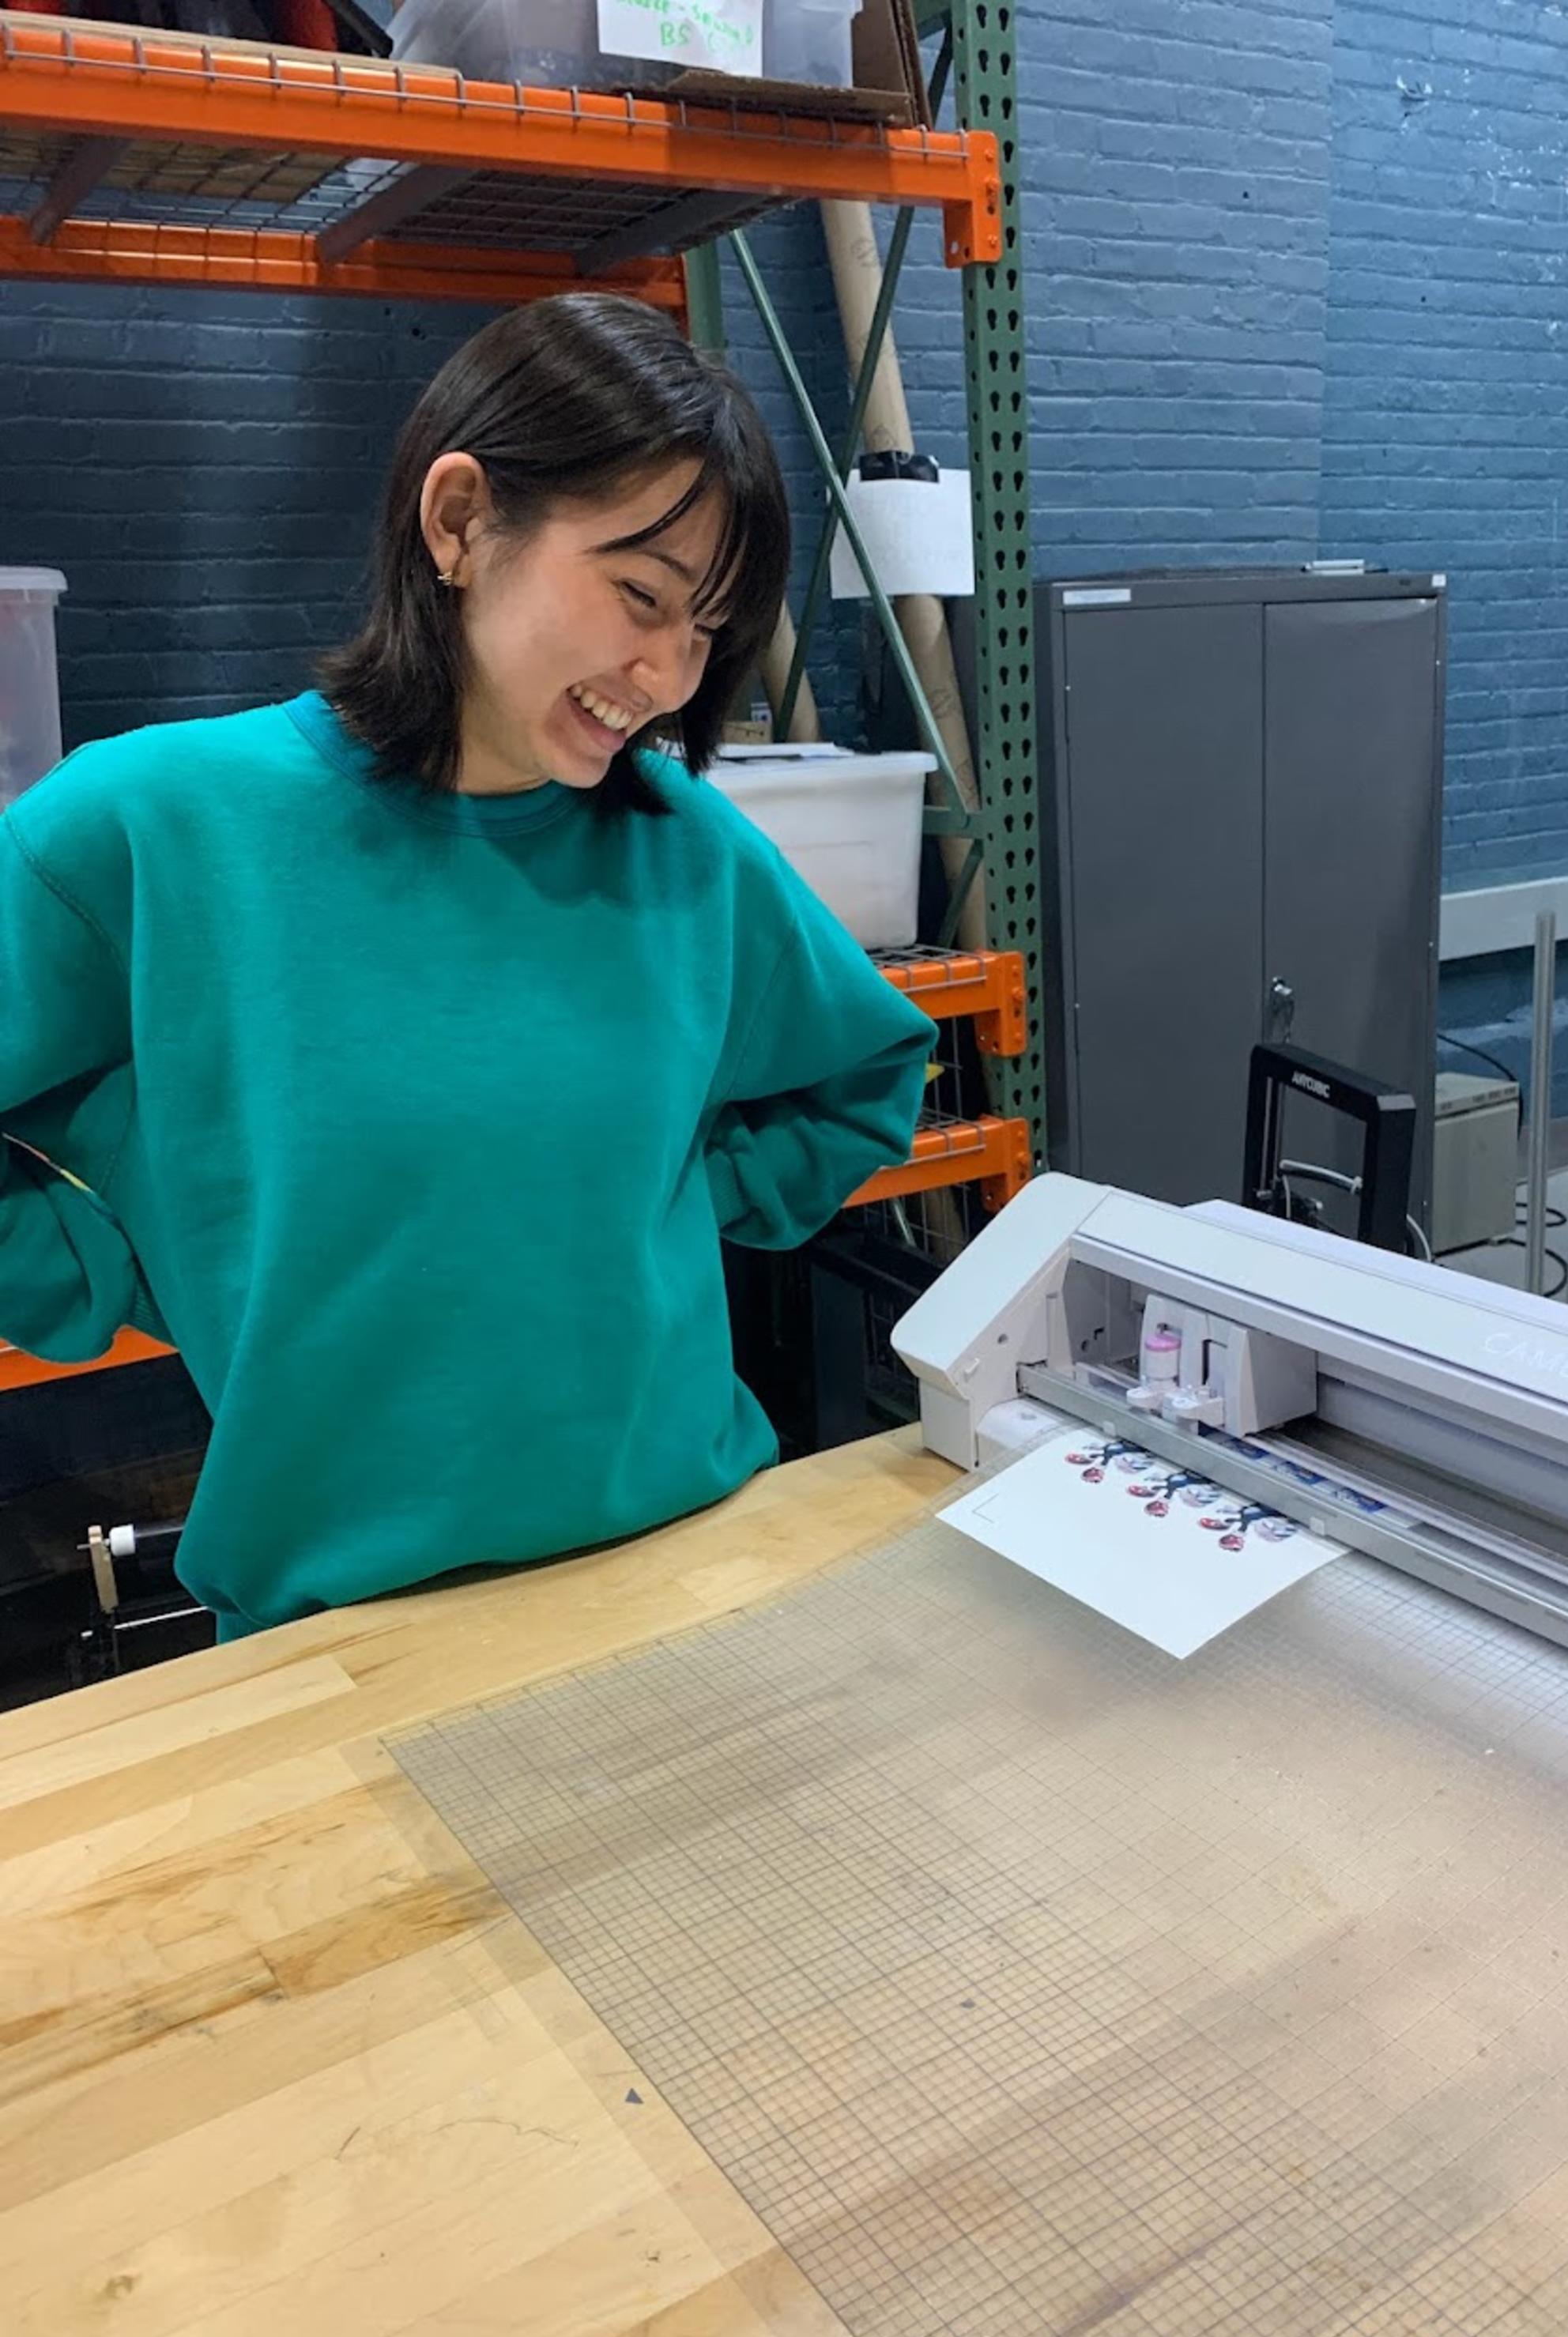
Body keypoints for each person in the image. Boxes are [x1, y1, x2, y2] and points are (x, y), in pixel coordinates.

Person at [0, 294, 935, 1639]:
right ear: (457, 522)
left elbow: (865, 1075)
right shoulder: (151, 828)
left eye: (707, 630)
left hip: (688, 1571)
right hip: (337, 1628)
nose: (667, 674)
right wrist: (138, 1252)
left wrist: (649, 1195)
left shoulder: (687, 849)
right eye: (640, 595)